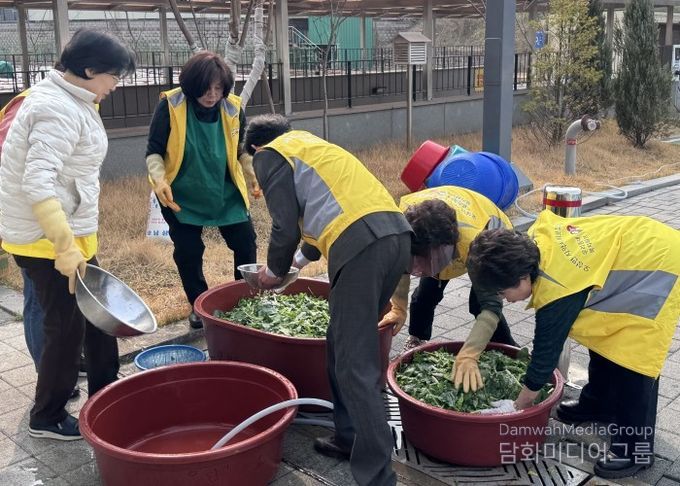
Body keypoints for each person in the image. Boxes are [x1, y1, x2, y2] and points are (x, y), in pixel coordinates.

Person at [243, 114, 457, 486]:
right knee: (342, 347)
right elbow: (325, 218)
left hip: (363, 248)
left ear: (255, 147)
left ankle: (378, 477)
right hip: (396, 238)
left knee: (355, 368)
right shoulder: (312, 148)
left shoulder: (269, 155)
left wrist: (274, 272)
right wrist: (296, 264)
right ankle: (348, 438)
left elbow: (284, 224)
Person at [465, 210, 680, 479]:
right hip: (632, 250)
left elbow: (545, 357)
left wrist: (518, 406)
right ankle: (599, 404)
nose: (505, 300)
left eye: (502, 292)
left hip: (658, 266)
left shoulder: (557, 288)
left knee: (633, 359)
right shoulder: (530, 248)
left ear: (522, 277)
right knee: (605, 334)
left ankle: (635, 451)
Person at [0, 29, 135, 440]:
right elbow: (37, 183)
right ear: (90, 70)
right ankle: (48, 416)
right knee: (66, 327)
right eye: (114, 76)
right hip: (46, 241)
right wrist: (64, 248)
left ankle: (106, 391)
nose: (116, 85)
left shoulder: (74, 99)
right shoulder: (54, 108)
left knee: (99, 315)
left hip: (69, 235)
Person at [145, 51, 258, 329]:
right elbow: (154, 151)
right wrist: (160, 180)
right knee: (189, 251)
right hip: (181, 194)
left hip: (225, 191)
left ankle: (245, 300)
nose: (212, 95)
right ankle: (198, 305)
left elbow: (242, 150)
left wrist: (254, 174)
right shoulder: (171, 105)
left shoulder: (232, 107)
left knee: (246, 243)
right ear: (192, 84)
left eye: (218, 88)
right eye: (206, 88)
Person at [378, 185, 518, 391]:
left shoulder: (478, 245)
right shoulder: (402, 223)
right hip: (443, 234)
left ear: (446, 249)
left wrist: (469, 354)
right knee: (424, 295)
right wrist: (398, 307)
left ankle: (512, 352)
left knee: (479, 304)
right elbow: (401, 266)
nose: (419, 270)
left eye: (424, 263)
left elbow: (491, 307)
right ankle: (417, 338)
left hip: (492, 240)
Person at [1, 90, 85, 393]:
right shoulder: (34, 105)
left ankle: (66, 362)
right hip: (32, 227)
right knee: (40, 300)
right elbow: (14, 166)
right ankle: (48, 372)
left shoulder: (69, 103)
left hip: (58, 220)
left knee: (60, 300)